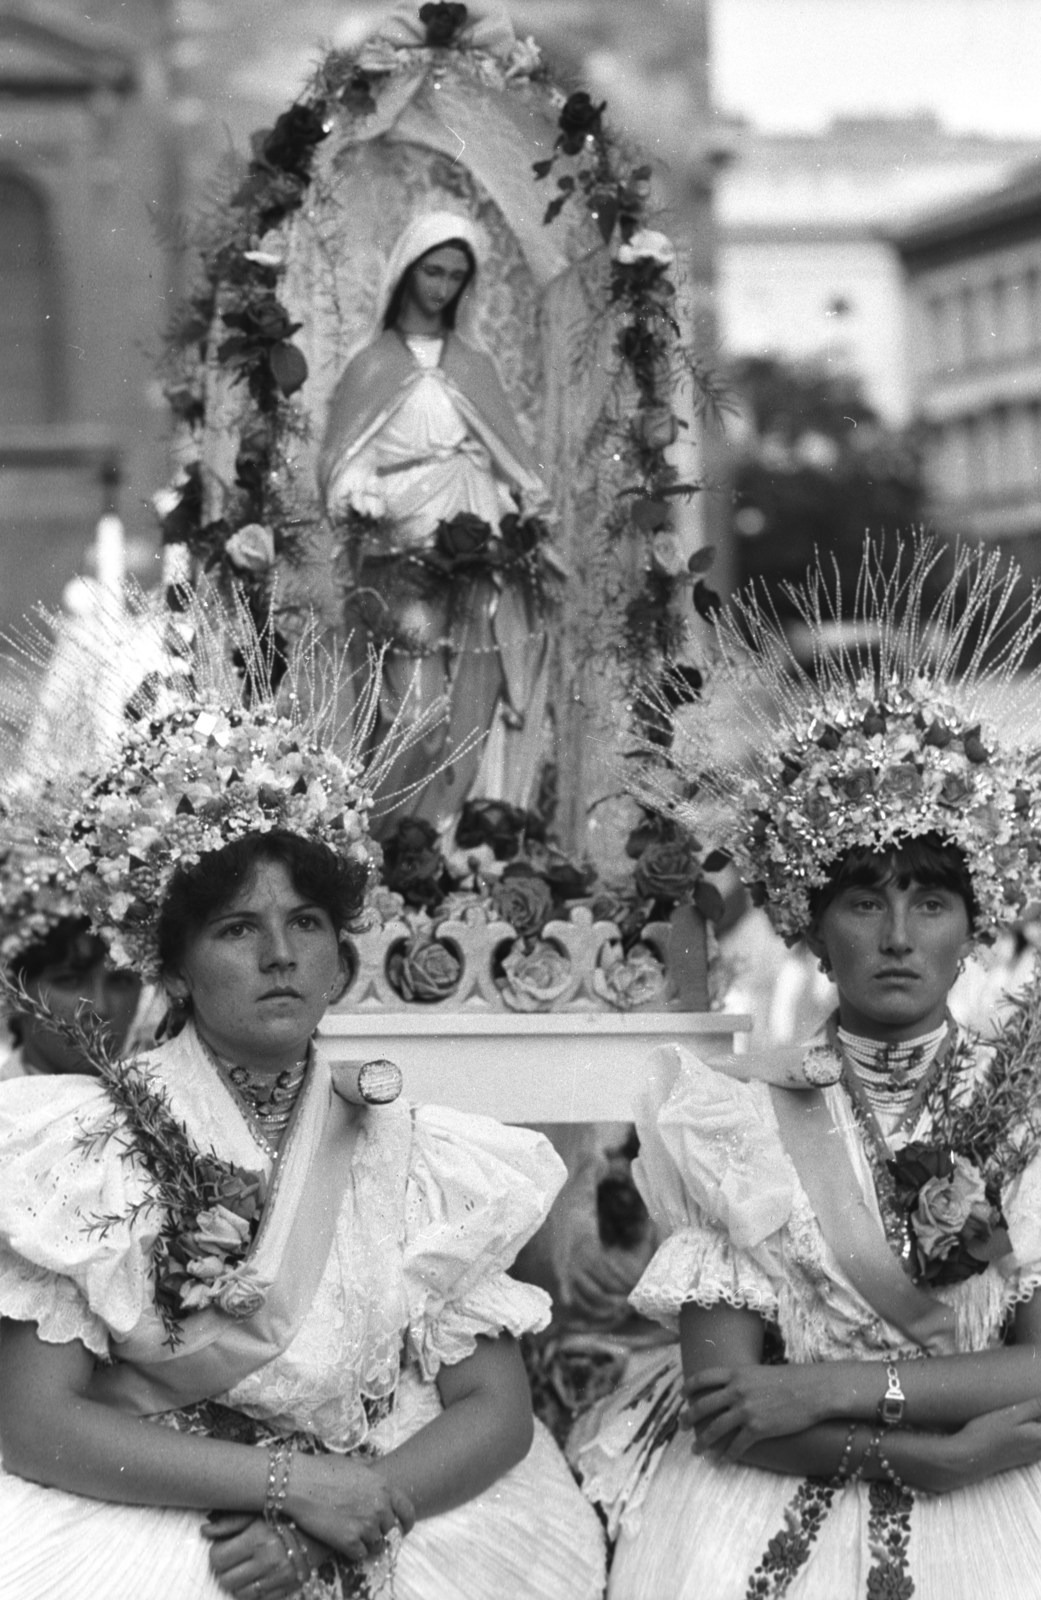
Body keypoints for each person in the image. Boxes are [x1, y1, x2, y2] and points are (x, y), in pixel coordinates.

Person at [0, 627, 606, 1600]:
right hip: (163, 1526)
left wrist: (351, 1511)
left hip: (378, 1508)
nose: (280, 953)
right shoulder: (86, 1146)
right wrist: (288, 1485)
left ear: (339, 957)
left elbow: (494, 1407)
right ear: (174, 963)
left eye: (307, 923)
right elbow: (36, 1420)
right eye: (239, 927)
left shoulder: (422, 1151)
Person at [577, 539, 1041, 1599]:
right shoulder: (732, 1115)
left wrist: (830, 1386)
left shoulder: (1026, 1107)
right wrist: (918, 1451)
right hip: (774, 1481)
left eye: (929, 902)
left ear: (971, 928)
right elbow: (728, 1397)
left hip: (1008, 1478)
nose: (895, 934)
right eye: (862, 900)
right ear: (810, 925)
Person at [318, 212, 553, 832]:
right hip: (402, 554)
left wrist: (526, 508)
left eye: (455, 275)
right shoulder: (372, 364)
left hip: (476, 549)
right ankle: (383, 840)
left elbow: (512, 461)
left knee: (475, 705)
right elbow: (344, 461)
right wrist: (360, 496)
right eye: (432, 271)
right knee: (414, 713)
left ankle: (441, 846)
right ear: (405, 272)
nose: (442, 286)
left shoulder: (473, 366)